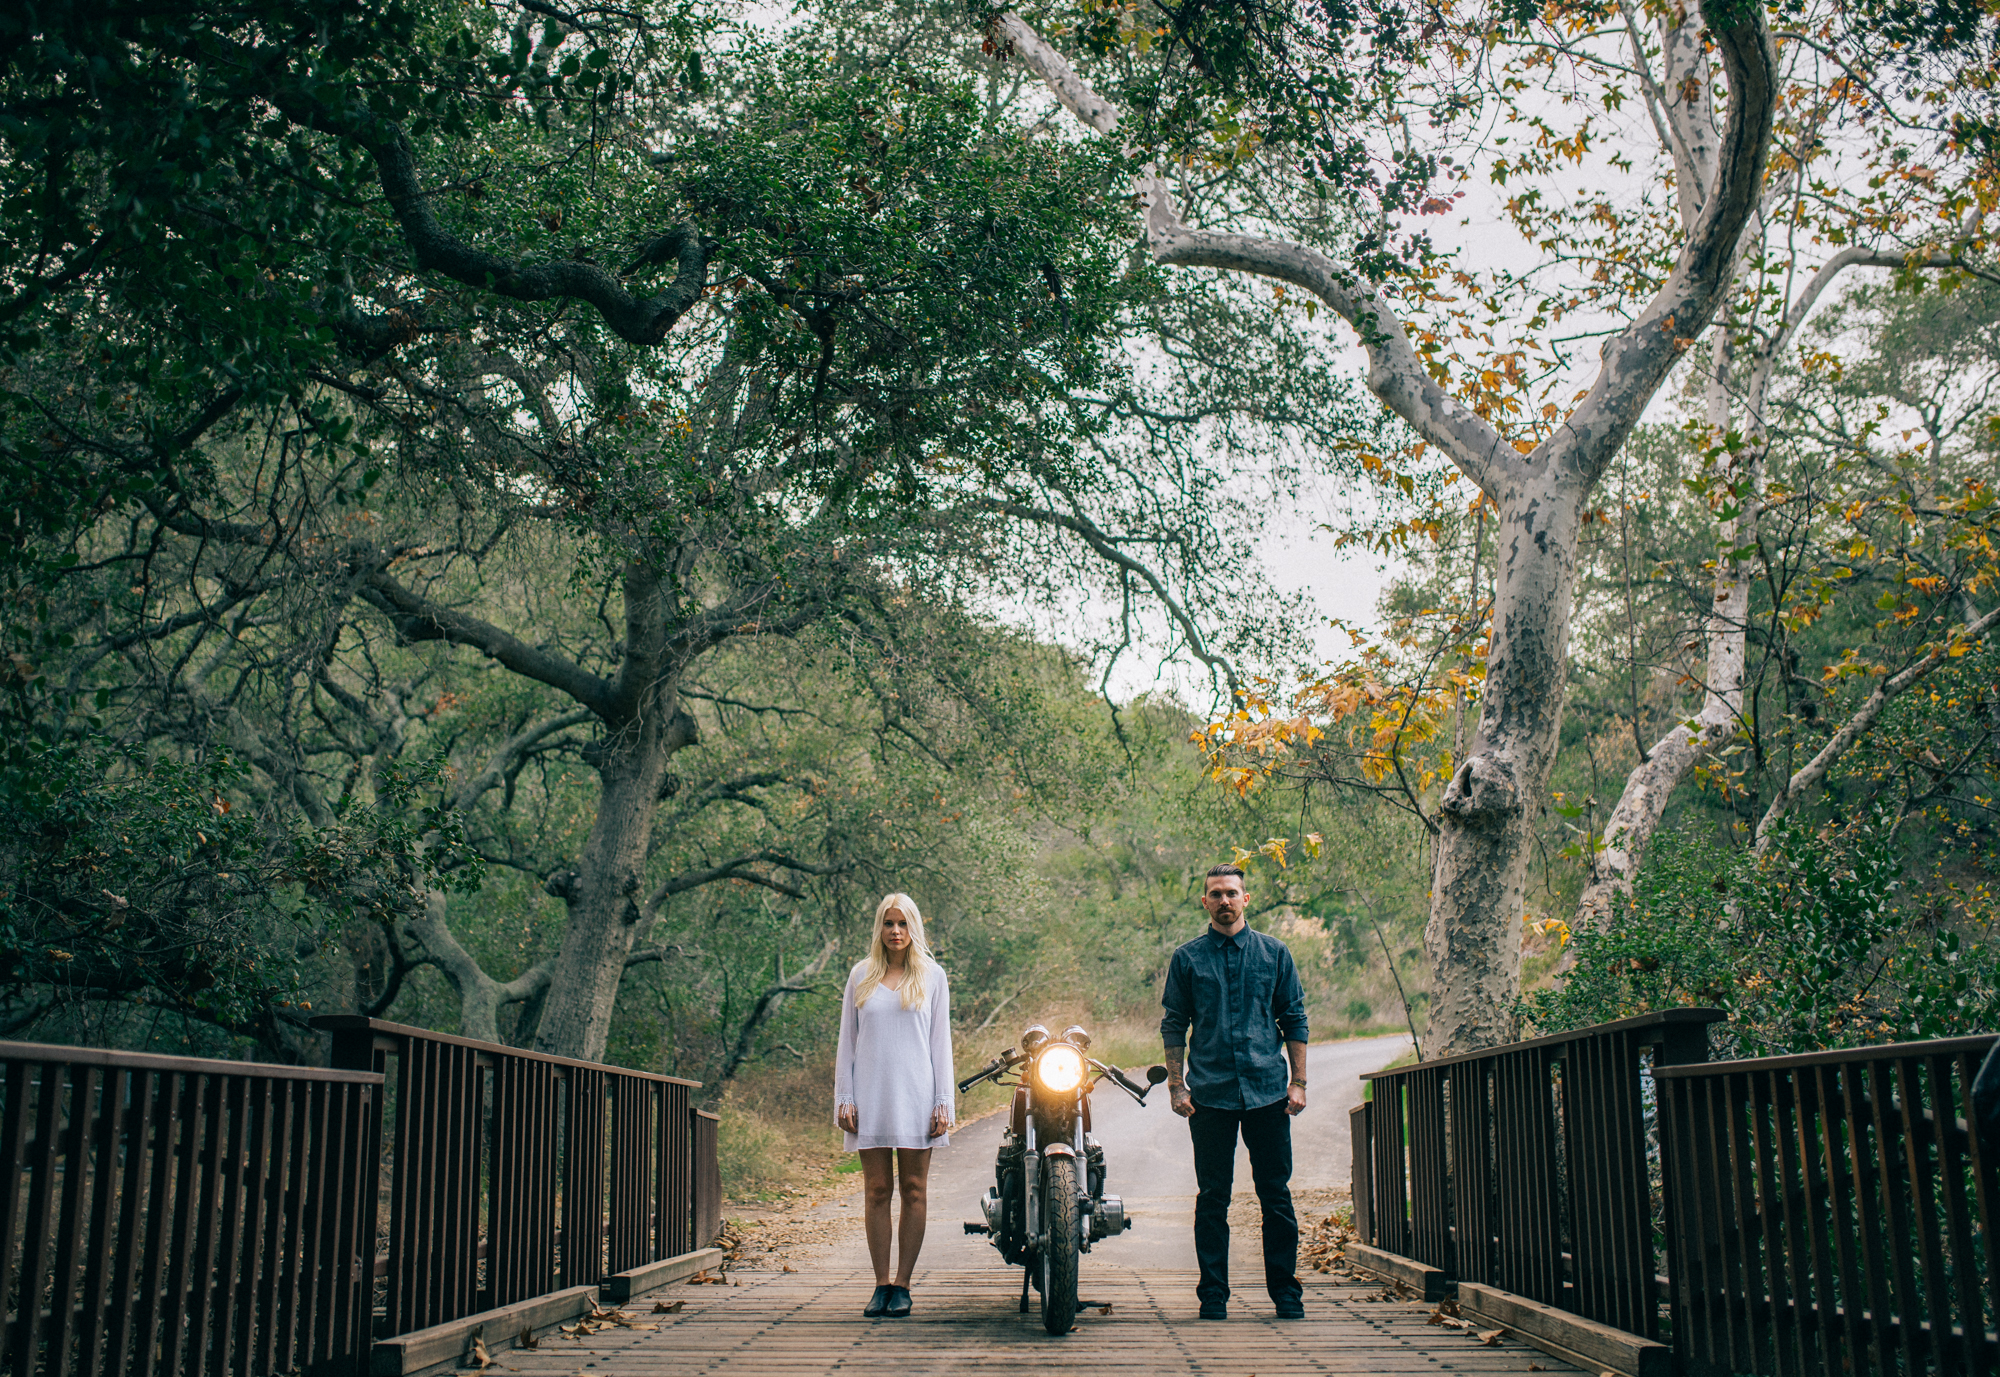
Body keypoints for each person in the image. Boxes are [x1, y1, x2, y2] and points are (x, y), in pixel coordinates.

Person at [1161, 863, 1310, 1321]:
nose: (1225, 901)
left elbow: (1294, 1019)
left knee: (1276, 1196)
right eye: (1216, 894)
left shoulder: (1275, 954)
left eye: (1232, 893)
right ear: (1204, 902)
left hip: (1268, 1092)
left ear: (1246, 899)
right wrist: (1176, 1085)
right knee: (1212, 1199)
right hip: (1210, 1095)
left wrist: (1298, 1082)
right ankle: (1213, 1297)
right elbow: (1174, 1024)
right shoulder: (1187, 959)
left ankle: (1286, 1294)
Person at [834, 892, 955, 1319]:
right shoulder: (860, 976)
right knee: (877, 1190)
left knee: (914, 1190)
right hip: (871, 1095)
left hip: (917, 1095)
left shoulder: (933, 977)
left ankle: (903, 1285)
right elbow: (847, 1041)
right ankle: (880, 1284)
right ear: (879, 929)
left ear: (914, 928)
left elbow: (941, 1044)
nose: (896, 932)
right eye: (889, 923)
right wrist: (844, 1097)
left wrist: (944, 1102)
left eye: (903, 924)